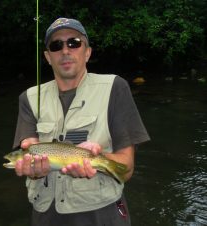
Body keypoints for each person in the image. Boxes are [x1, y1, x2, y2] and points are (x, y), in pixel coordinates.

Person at [12, 17, 150, 226]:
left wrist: (99, 157)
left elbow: (127, 169)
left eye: (74, 43)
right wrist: (32, 172)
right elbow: (28, 150)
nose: (65, 50)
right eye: (56, 45)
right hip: (45, 217)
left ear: (87, 52)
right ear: (48, 57)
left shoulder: (115, 87)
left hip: (101, 216)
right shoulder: (29, 98)